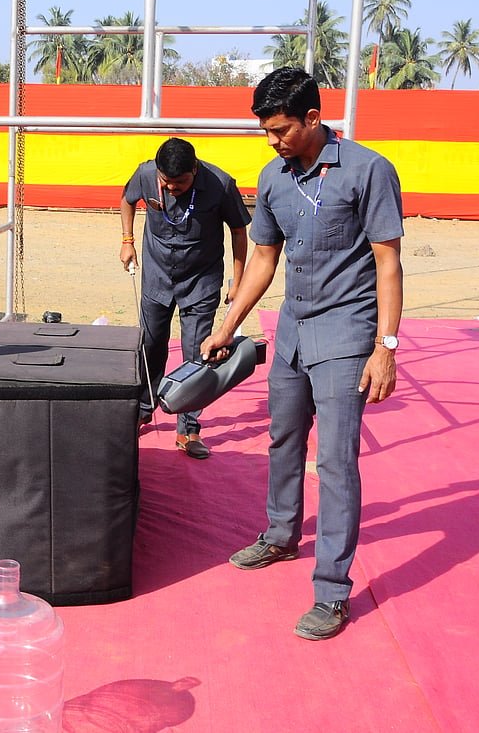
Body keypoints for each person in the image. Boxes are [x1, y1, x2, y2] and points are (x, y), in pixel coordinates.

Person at [201, 67, 404, 641]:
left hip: (347, 334)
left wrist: (386, 347)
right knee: (283, 439)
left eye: (282, 129)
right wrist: (227, 326)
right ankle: (280, 535)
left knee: (336, 463)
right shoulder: (273, 177)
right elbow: (264, 258)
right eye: (266, 131)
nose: (273, 140)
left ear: (313, 118)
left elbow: (388, 263)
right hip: (291, 331)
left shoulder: (369, 170)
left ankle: (332, 590)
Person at [120, 137, 250, 459]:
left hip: (200, 282)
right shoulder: (146, 174)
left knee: (197, 354)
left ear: (195, 170)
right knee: (150, 346)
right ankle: (144, 408)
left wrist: (238, 280)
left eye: (179, 182)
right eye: (166, 182)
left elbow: (238, 230)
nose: (171, 188)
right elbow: (127, 199)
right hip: (157, 278)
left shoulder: (220, 184)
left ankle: (188, 428)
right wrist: (127, 240)